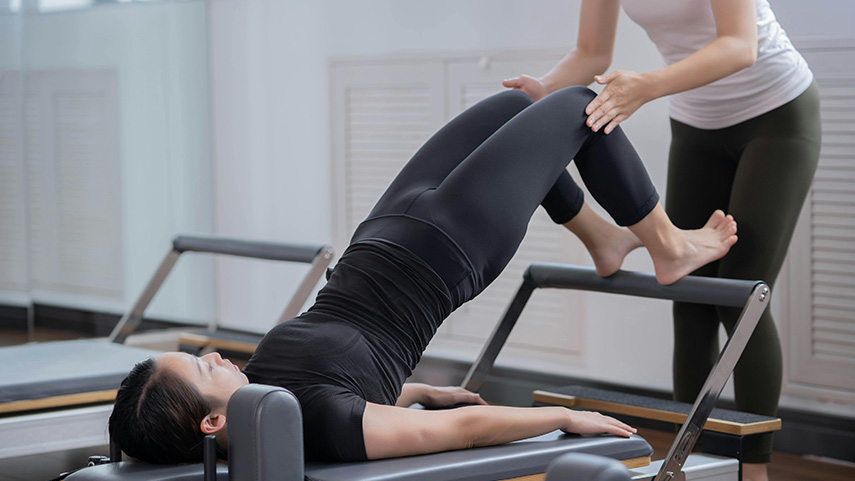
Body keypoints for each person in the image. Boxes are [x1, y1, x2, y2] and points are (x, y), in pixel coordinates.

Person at [109, 86, 737, 464]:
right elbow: (459, 430)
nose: (215, 356)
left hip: (388, 226)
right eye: (201, 369)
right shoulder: (321, 424)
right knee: (584, 107)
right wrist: (561, 418)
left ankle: (602, 239)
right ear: (211, 422)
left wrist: (415, 392)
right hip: (451, 250)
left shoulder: (270, 394)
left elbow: (360, 387)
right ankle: (667, 248)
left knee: (518, 104)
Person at [501, 1, 820, 479]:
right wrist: (545, 88)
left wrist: (645, 87)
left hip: (774, 112)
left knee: (741, 295)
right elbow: (590, 52)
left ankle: (754, 470)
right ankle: (691, 463)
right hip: (695, 125)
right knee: (688, 295)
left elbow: (740, 46)